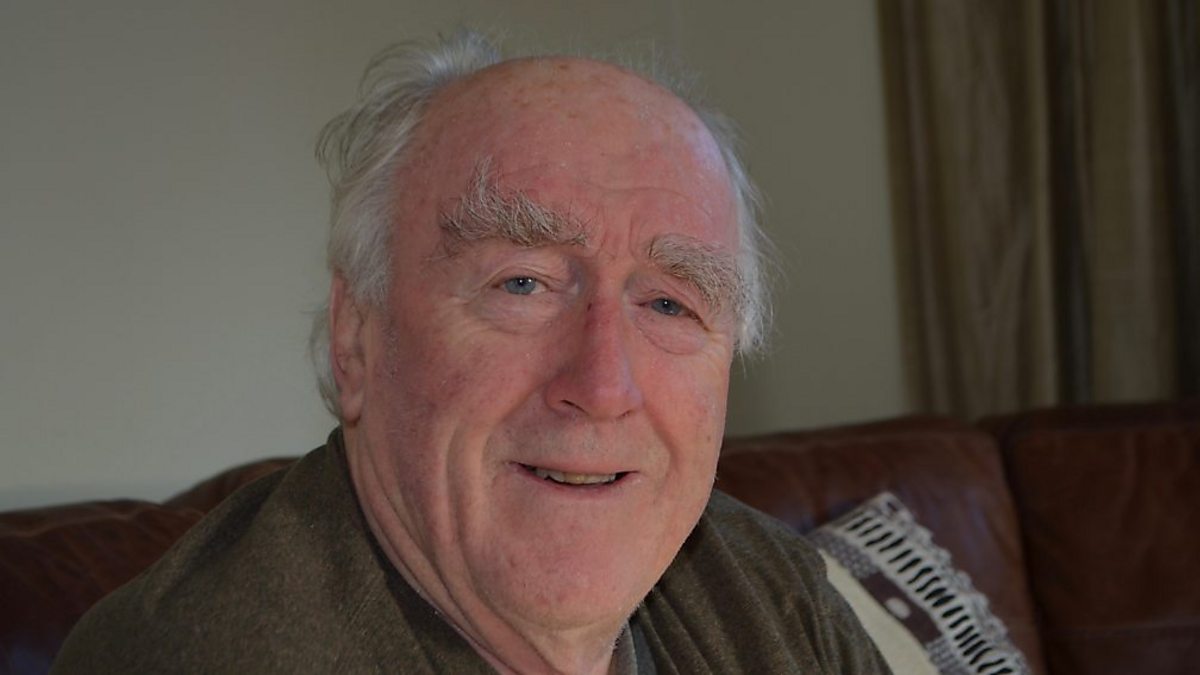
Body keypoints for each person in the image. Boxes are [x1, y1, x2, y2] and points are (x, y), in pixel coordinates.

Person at [52, 32, 888, 674]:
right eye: (522, 284)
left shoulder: (772, 599)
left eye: (670, 303)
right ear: (355, 338)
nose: (603, 385)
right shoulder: (206, 652)